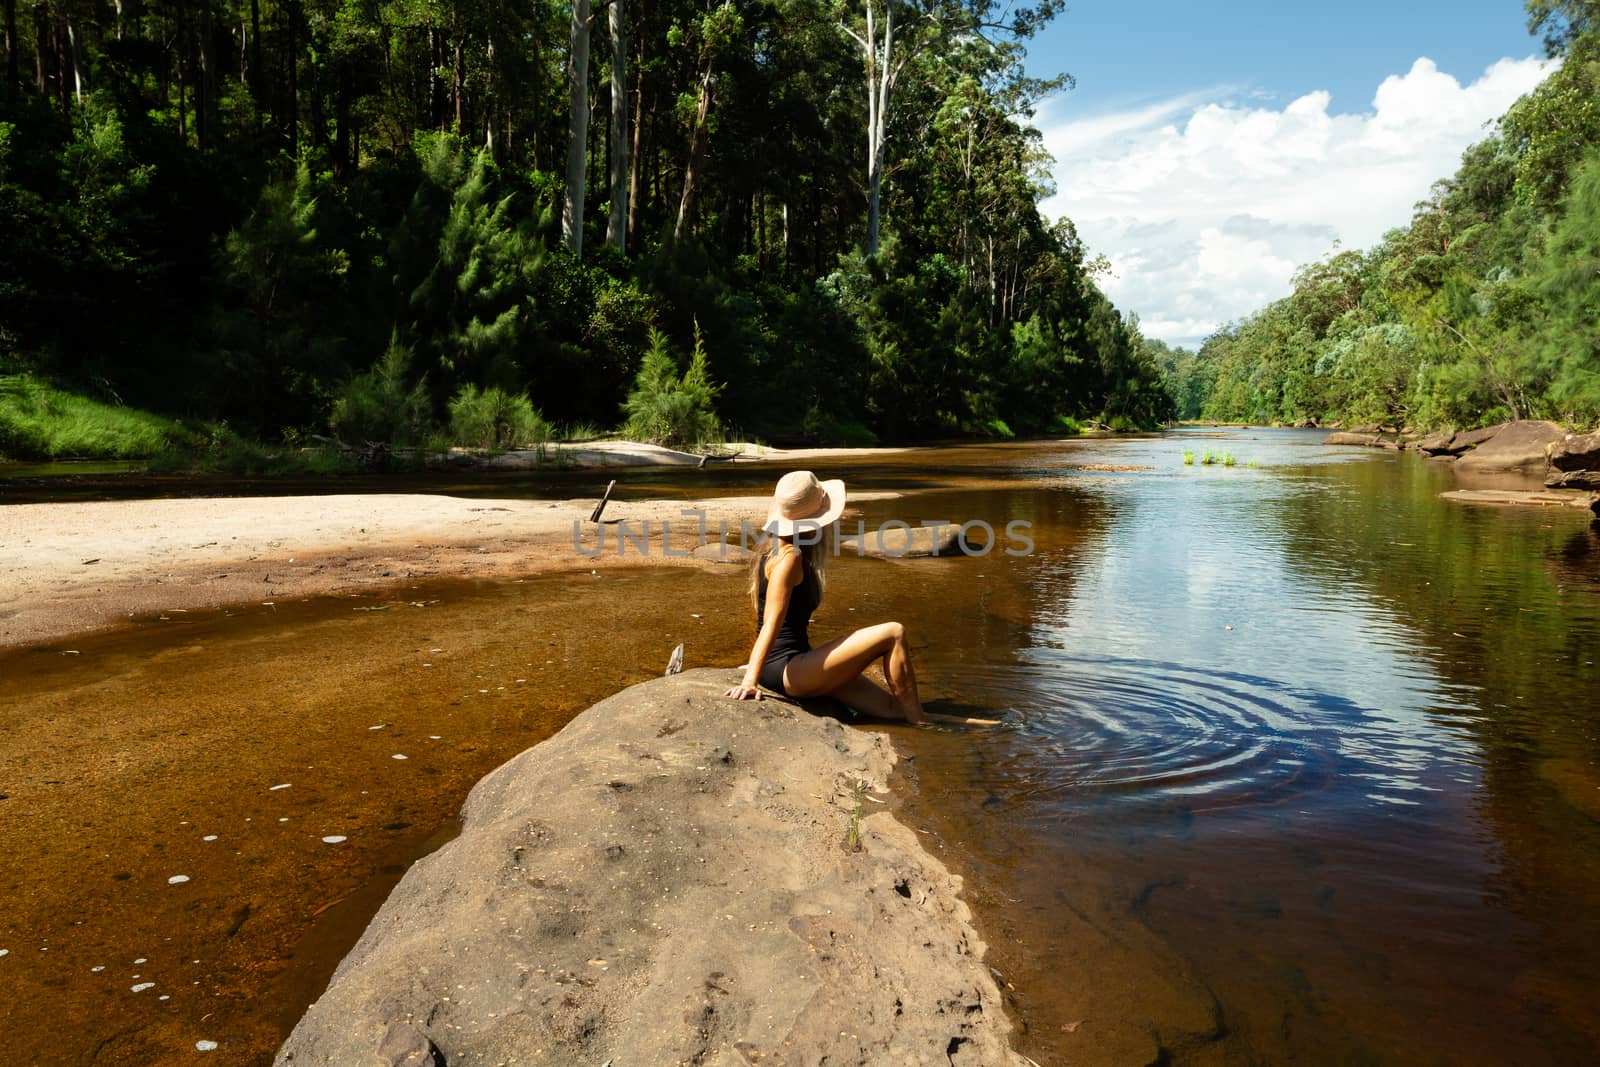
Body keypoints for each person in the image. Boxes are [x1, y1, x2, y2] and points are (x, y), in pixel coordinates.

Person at [724, 470, 925, 723]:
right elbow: (771, 623)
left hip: (794, 662)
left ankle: (929, 721)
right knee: (894, 633)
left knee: (894, 710)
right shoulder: (790, 558)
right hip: (788, 669)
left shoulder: (773, 547)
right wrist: (751, 678)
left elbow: (765, 614)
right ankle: (922, 724)